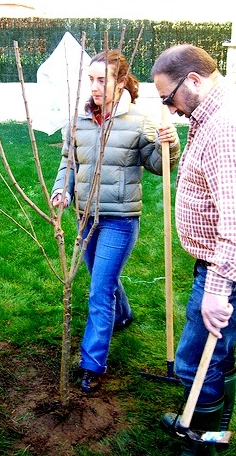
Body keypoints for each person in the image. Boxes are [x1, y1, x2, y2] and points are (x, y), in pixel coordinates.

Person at [51, 49, 181, 393]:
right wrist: (61, 190)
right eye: (90, 79)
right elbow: (69, 161)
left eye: (101, 80)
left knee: (98, 290)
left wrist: (170, 145)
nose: (94, 87)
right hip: (85, 216)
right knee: (103, 279)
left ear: (120, 81)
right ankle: (122, 315)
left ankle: (92, 364)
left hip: (120, 219)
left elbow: (157, 164)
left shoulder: (139, 121)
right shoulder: (77, 120)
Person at [151, 44, 236, 456]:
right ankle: (215, 434)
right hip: (218, 264)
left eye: (169, 98)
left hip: (224, 270)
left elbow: (234, 219)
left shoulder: (224, 125)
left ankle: (200, 444)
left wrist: (219, 289)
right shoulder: (210, 117)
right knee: (223, 356)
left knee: (193, 362)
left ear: (195, 81)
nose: (170, 109)